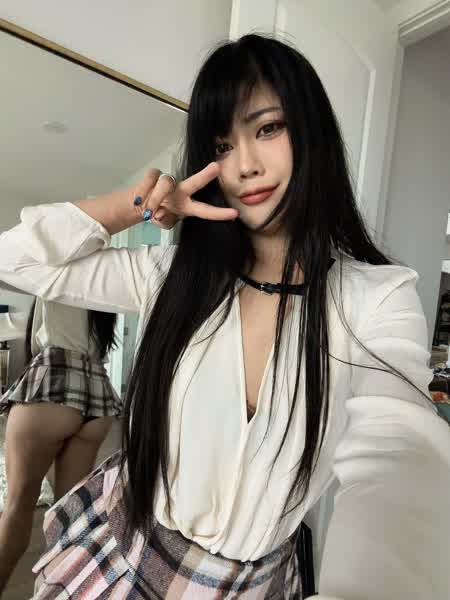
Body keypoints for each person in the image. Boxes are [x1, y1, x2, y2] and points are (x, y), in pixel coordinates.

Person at [0, 33, 449, 599]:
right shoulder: (171, 276)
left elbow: (398, 453)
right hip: (129, 556)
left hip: (255, 585)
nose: (245, 166)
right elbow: (14, 260)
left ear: (311, 131)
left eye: (268, 128)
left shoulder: (378, 297)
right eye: (221, 145)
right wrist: (136, 205)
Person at [0, 297, 120, 594]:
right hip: (96, 394)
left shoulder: (58, 277)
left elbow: (33, 337)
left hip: (53, 382)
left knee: (17, 508)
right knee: (68, 520)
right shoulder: (101, 291)